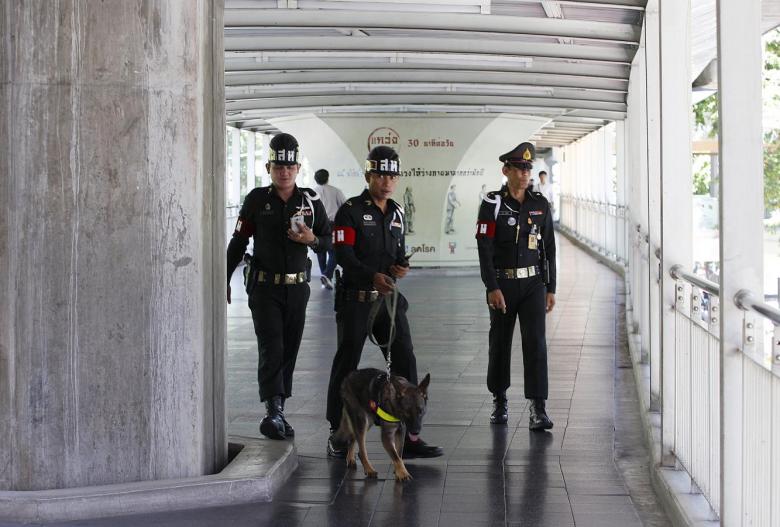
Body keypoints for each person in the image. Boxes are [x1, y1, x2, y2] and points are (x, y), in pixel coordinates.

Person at [326, 146, 443, 459]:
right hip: (356, 300)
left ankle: (410, 437)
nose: (387, 181)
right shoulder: (350, 211)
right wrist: (371, 275)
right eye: (380, 174)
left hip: (388, 302)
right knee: (347, 366)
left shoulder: (397, 212)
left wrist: (399, 267)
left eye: (392, 175)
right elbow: (343, 256)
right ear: (368, 176)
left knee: (406, 361)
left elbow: (395, 255)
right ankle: (337, 433)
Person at [226, 133, 331, 440]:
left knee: (289, 348)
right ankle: (273, 410)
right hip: (264, 289)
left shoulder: (310, 201)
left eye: (289, 167)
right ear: (269, 168)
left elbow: (329, 239)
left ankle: (280, 408)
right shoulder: (257, 200)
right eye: (277, 167)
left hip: (297, 288)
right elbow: (239, 241)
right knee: (271, 345)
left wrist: (312, 240)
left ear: (298, 168)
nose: (284, 172)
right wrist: (224, 277)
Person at [475, 142, 557, 431]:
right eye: (519, 168)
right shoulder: (493, 203)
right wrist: (491, 286)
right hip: (504, 284)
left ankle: (538, 407)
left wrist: (551, 288)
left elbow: (549, 248)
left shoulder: (539, 204)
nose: (524, 173)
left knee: (536, 343)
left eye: (528, 168)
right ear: (506, 170)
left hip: (533, 282)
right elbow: (484, 248)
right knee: (500, 343)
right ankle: (499, 400)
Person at [313, 169, 346, 290]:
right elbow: (345, 206)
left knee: (320, 252)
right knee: (335, 253)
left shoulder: (312, 192)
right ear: (328, 177)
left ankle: (324, 277)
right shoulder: (336, 191)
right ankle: (327, 275)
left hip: (317, 225)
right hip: (332, 224)